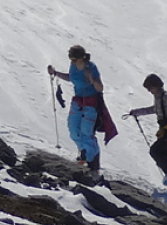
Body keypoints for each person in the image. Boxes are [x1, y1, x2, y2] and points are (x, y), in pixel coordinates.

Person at [46, 45, 115, 176]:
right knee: (73, 129)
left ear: (81, 58)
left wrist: (91, 79)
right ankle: (84, 154)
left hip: (91, 103)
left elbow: (100, 88)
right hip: (78, 101)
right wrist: (56, 73)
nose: (72, 61)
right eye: (71, 59)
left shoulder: (91, 67)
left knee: (86, 132)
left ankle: (92, 163)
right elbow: (72, 77)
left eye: (74, 59)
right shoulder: (73, 66)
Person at [127, 73, 167, 200]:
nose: (149, 91)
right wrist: (138, 112)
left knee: (155, 151)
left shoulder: (166, 97)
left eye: (150, 88)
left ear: (156, 85)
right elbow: (155, 109)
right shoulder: (159, 98)